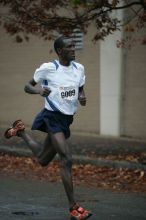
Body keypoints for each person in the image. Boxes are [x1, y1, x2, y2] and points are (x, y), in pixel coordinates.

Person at [4, 35, 92, 220]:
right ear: (60, 51)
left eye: (74, 46)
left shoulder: (79, 68)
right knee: (66, 158)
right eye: (69, 47)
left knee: (43, 159)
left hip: (66, 119)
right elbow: (27, 86)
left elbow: (80, 87)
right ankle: (73, 208)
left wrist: (81, 96)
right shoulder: (49, 68)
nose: (74, 49)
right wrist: (38, 91)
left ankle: (21, 133)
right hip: (51, 117)